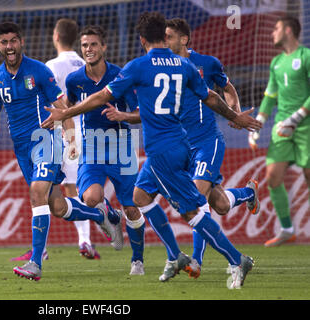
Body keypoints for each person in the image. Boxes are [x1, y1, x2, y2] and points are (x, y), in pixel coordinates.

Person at [42, 12, 262, 288]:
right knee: (140, 197)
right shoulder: (185, 66)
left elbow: (101, 96)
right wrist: (235, 117)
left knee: (193, 212)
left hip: (162, 151)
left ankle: (236, 259)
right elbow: (212, 96)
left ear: (142, 39)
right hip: (178, 143)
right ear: (163, 37)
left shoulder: (138, 67)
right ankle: (174, 256)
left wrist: (67, 112)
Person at [0, 22, 122, 281]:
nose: (10, 46)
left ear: (21, 42)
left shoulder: (40, 71)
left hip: (46, 139)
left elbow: (62, 106)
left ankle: (35, 263)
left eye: (13, 41)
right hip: (22, 149)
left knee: (36, 192)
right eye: (4, 42)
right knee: (57, 206)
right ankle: (100, 213)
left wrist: (71, 140)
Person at [165, 18, 261, 278]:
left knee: (196, 199)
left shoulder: (207, 63)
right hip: (182, 147)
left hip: (208, 140)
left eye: (170, 37)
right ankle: (246, 193)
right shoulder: (163, 69)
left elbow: (227, 88)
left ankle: (196, 261)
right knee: (218, 204)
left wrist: (235, 112)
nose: (166, 41)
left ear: (184, 39)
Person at [11, 18, 101, 261]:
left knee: (46, 190)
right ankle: (83, 239)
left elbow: (50, 104)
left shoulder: (48, 66)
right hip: (86, 132)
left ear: (56, 37)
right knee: (67, 191)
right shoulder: (87, 63)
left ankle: (49, 248)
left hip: (60, 134)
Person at [65, 25, 146, 275]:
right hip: (91, 146)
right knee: (89, 198)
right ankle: (109, 216)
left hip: (121, 147)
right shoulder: (74, 80)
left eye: (93, 45)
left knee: (132, 208)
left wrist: (121, 115)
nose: (89, 49)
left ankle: (137, 260)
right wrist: (70, 138)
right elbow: (68, 107)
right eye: (85, 45)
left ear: (104, 47)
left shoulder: (121, 76)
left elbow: (139, 113)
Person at [248, 16, 310, 247]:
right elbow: (269, 98)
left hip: (305, 124)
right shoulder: (275, 63)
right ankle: (287, 230)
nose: (272, 33)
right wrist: (256, 127)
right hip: (282, 127)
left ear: (288, 30)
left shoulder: (306, 56)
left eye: (276, 29)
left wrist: (296, 118)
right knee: (273, 177)